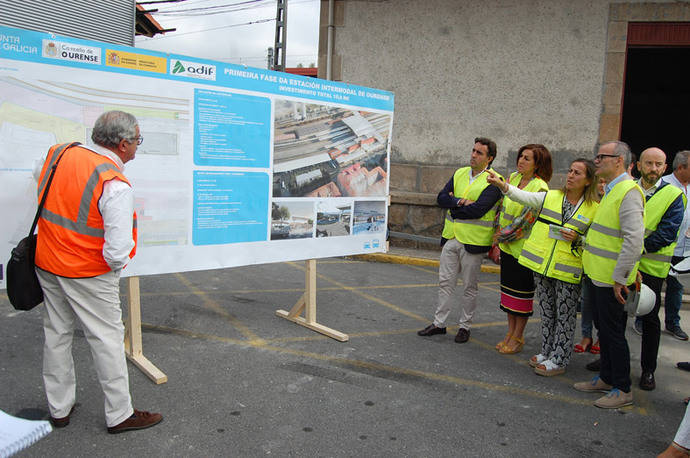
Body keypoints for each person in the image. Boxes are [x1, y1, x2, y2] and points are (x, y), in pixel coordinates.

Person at [34, 111, 162, 433]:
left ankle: (59, 408)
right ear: (122, 145)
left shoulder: (60, 153)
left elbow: (41, 187)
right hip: (88, 273)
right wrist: (109, 273)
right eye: (137, 141)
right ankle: (119, 414)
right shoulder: (114, 183)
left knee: (57, 334)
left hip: (48, 262)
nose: (137, 147)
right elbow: (117, 252)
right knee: (106, 340)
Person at [488, 159, 599, 375]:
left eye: (577, 173)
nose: (570, 175)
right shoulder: (552, 196)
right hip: (543, 266)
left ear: (588, 180)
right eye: (569, 170)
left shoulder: (594, 208)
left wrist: (579, 237)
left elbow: (595, 240)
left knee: (565, 316)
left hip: (568, 269)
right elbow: (525, 197)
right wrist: (503, 186)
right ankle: (547, 351)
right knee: (548, 312)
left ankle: (559, 358)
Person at [573, 141, 645, 409]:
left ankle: (622, 388)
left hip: (612, 280)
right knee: (604, 330)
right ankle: (606, 378)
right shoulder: (611, 190)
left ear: (619, 161)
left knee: (613, 334)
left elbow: (634, 239)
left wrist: (621, 277)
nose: (597, 160)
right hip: (598, 276)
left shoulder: (628, 191)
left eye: (602, 156)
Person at [418, 137, 503, 343]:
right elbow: (441, 198)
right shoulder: (460, 173)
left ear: (489, 158)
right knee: (445, 282)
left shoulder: (494, 180)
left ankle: (465, 326)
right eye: (473, 150)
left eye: (479, 153)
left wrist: (454, 208)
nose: (473, 155)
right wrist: (461, 201)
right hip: (451, 237)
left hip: (473, 242)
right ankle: (439, 324)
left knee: (469, 287)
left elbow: (480, 209)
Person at [632, 148, 686, 391]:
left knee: (649, 320)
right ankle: (609, 361)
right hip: (622, 264)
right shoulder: (627, 187)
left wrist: (634, 249)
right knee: (615, 315)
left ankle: (648, 370)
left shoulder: (674, 194)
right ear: (639, 165)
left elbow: (667, 233)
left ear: (665, 168)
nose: (653, 168)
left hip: (651, 268)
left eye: (658, 164)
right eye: (649, 163)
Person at [493, 145, 552, 354]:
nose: (521, 161)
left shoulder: (540, 187)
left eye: (527, 158)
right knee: (508, 295)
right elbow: (502, 208)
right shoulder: (513, 178)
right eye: (521, 156)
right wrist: (498, 239)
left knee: (522, 296)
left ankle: (518, 337)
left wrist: (503, 235)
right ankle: (509, 333)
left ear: (538, 164)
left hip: (523, 250)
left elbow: (526, 221)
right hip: (507, 247)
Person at [656, 150, 690, 342]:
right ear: (681, 167)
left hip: (685, 248)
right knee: (652, 287)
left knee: (676, 288)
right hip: (662, 249)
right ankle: (642, 321)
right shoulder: (663, 185)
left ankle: (672, 323)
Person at [575, 178, 606, 356]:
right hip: (587, 259)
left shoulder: (612, 203)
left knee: (602, 305)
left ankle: (601, 337)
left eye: (605, 182)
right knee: (586, 301)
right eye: (599, 182)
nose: (602, 186)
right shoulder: (590, 204)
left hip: (604, 262)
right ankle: (586, 336)